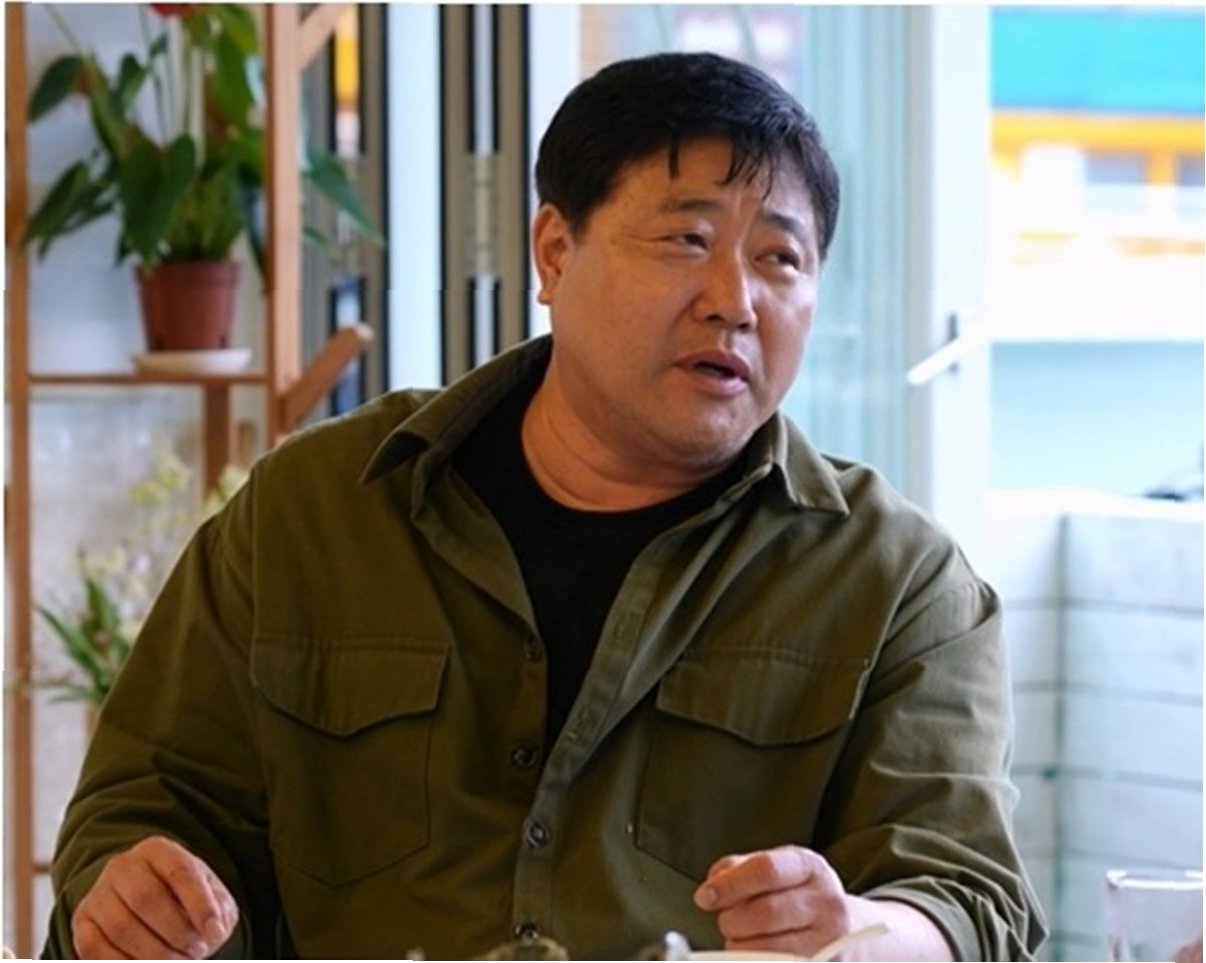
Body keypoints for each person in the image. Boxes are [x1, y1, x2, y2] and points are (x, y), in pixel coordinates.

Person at [44, 52, 1046, 961]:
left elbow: (967, 898)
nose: (735, 300)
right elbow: (146, 806)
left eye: (781, 259)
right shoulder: (314, 510)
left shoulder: (896, 580)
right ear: (555, 253)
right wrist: (132, 898)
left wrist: (861, 936)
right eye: (687, 239)